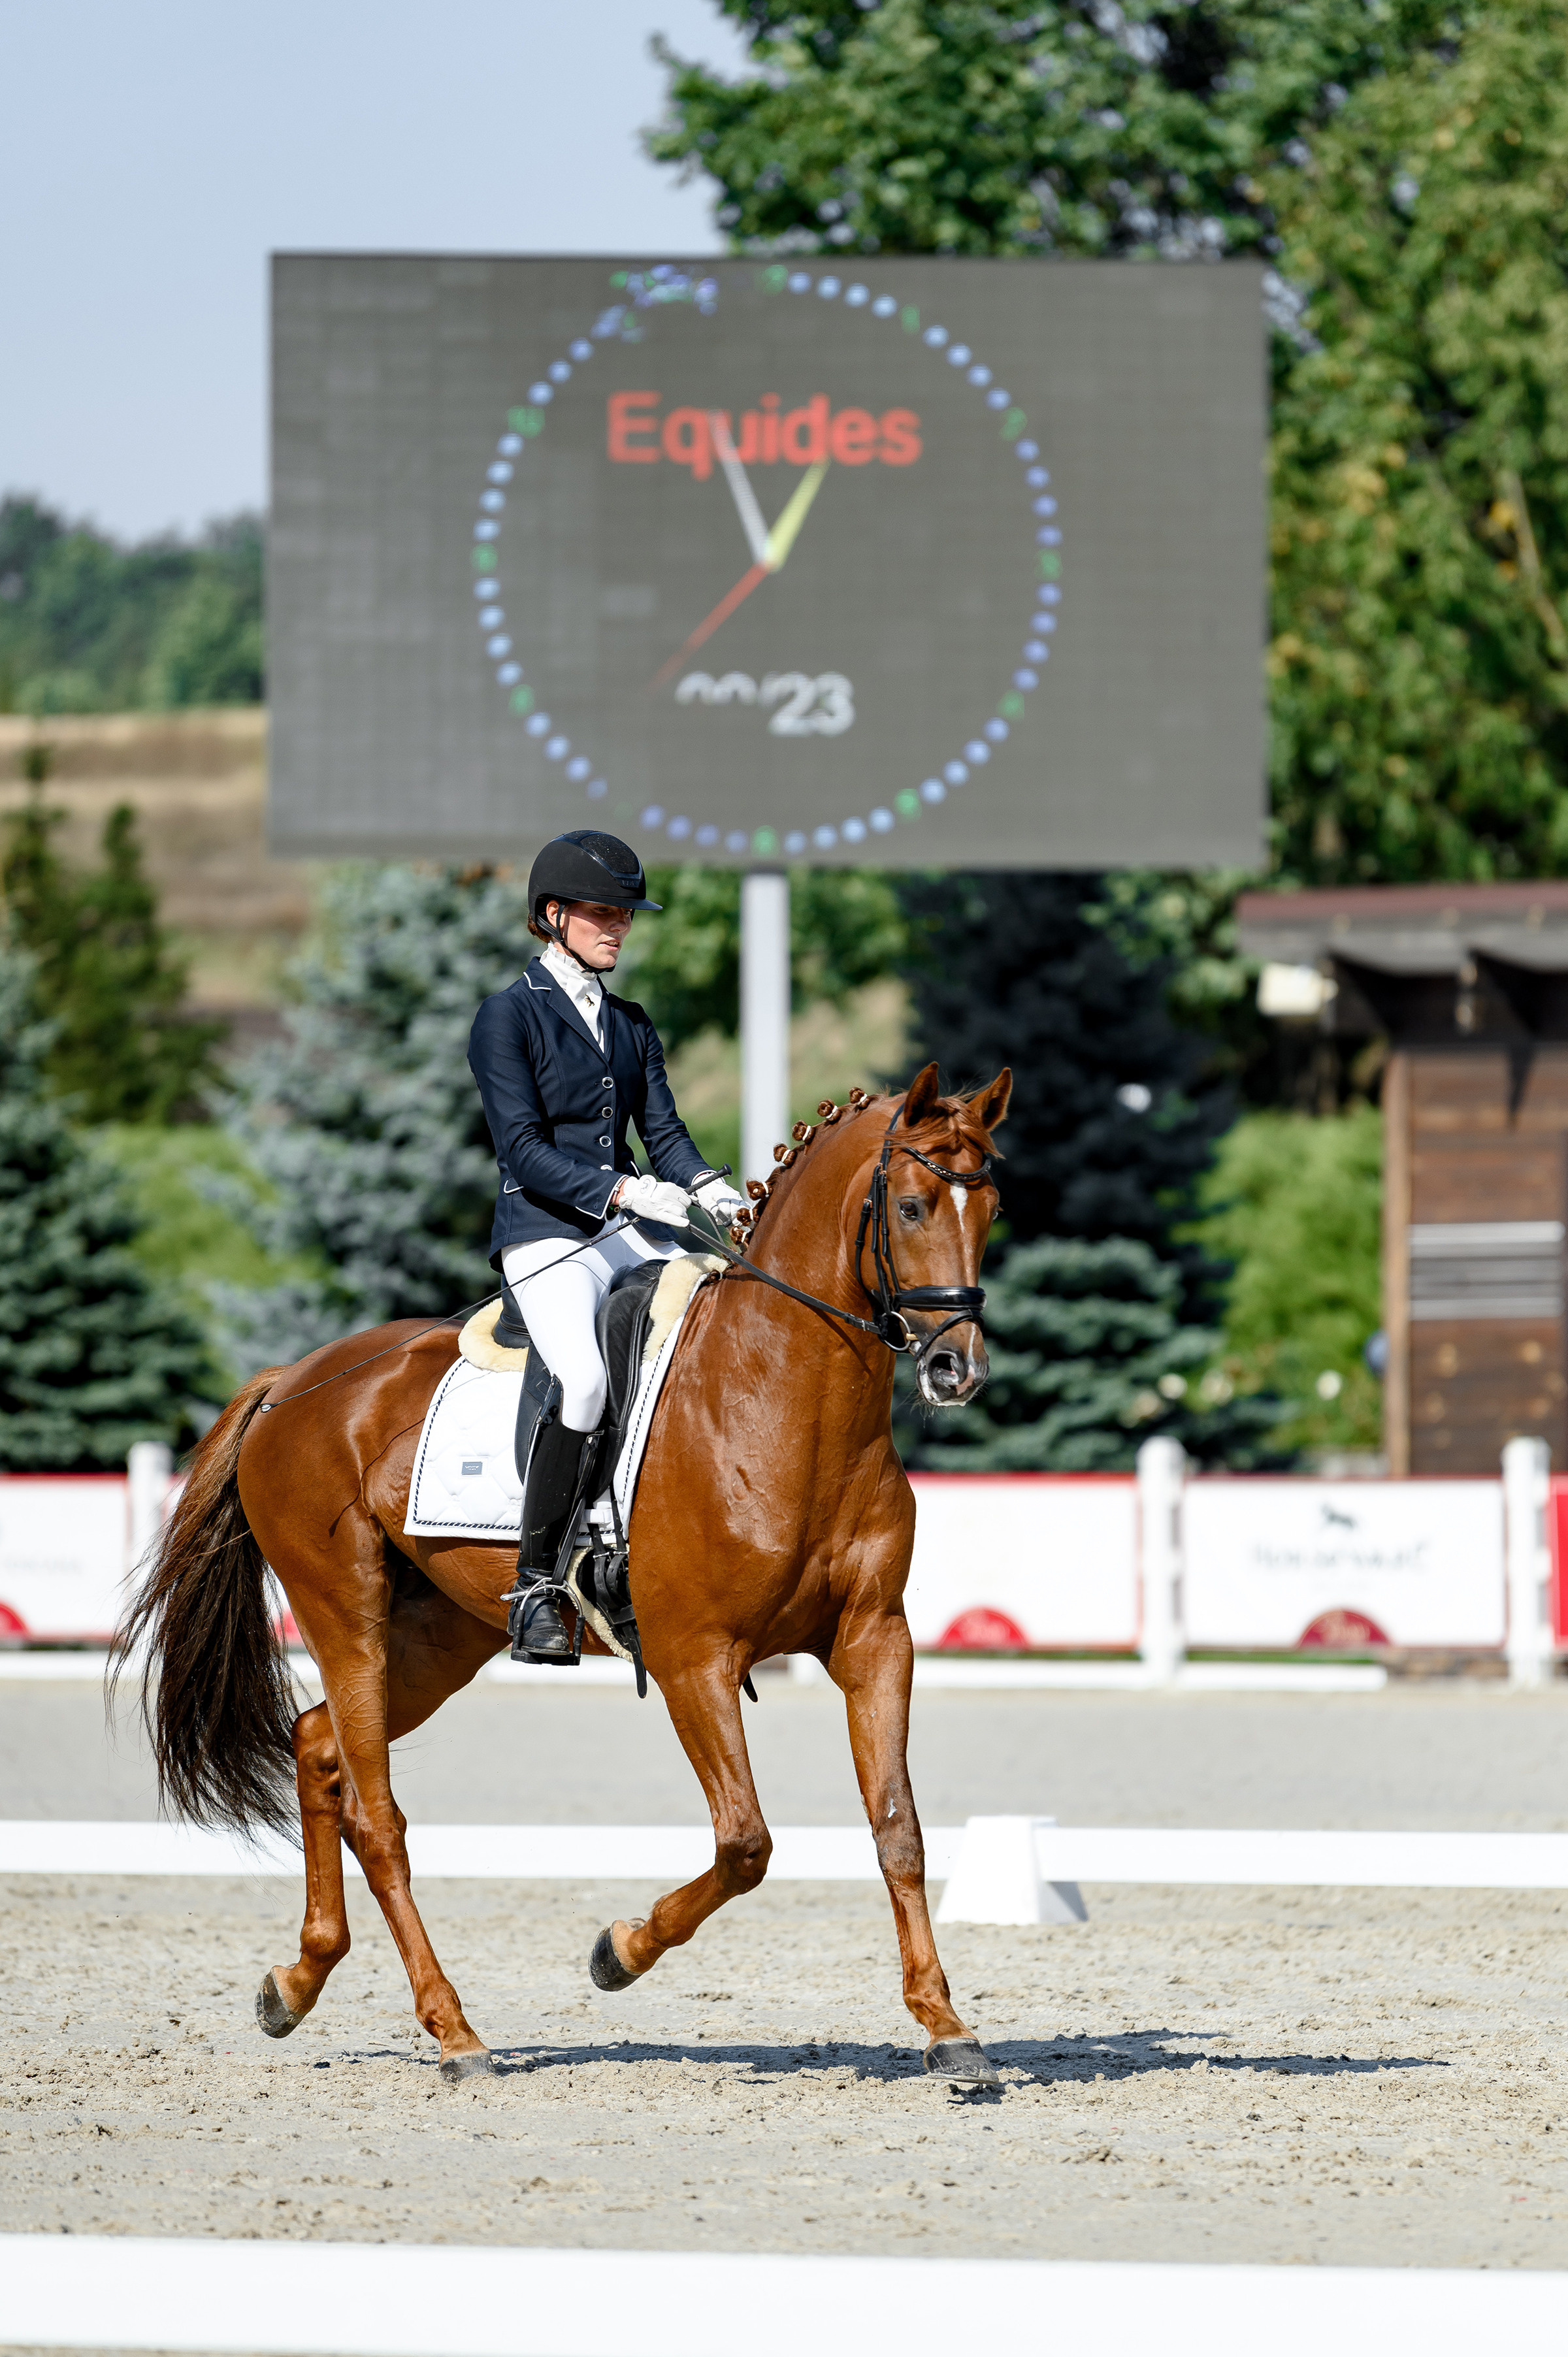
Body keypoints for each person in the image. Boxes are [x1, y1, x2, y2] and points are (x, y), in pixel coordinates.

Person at [467, 830, 745, 1661]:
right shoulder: (507, 1016)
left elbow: (665, 1132)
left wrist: (710, 1190)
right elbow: (521, 1149)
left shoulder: (629, 1023)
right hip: (547, 1234)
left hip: (629, 1232)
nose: (618, 926)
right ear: (552, 916)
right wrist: (622, 1190)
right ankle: (538, 1584)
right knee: (585, 1379)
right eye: (602, 912)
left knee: (713, 1334)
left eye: (625, 914)